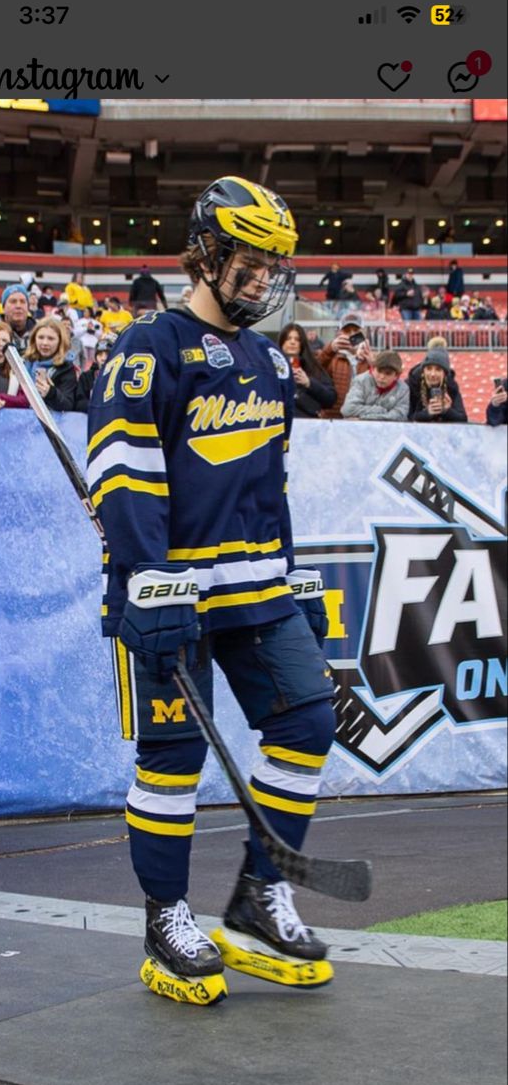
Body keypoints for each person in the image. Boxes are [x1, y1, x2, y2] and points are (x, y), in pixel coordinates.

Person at [87, 175, 336, 1006]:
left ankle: (260, 899)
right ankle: (166, 918)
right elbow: (123, 473)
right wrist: (146, 582)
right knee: (171, 761)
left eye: (274, 266)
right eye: (251, 263)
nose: (265, 279)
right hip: (171, 597)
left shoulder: (268, 360)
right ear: (205, 253)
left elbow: (270, 483)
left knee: (306, 721)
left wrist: (289, 572)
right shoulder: (147, 346)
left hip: (256, 590)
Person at [317, 311, 371, 419]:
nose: (351, 334)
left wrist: (372, 362)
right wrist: (330, 348)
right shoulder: (331, 357)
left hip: (362, 420)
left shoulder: (370, 358)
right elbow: (315, 370)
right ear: (340, 334)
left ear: (363, 333)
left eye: (356, 330)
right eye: (347, 331)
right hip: (334, 419)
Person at [278, 322, 335, 418]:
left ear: (302, 343)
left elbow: (330, 399)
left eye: (297, 339)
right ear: (282, 342)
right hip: (278, 423)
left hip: (307, 425)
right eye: (288, 338)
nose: (292, 342)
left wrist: (309, 383)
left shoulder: (313, 368)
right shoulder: (270, 367)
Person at [24, 317, 78, 412]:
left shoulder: (66, 368)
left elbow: (68, 404)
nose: (45, 343)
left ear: (60, 341)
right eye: (41, 337)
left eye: (51, 338)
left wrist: (50, 393)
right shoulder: (24, 363)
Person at [341, 350, 409, 422]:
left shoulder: (403, 389)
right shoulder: (360, 381)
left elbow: (400, 416)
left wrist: (362, 419)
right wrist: (380, 410)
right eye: (379, 371)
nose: (382, 377)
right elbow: (348, 409)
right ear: (373, 369)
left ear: (396, 375)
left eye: (388, 373)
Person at [408, 348, 468, 423]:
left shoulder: (451, 387)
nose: (433, 374)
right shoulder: (411, 385)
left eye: (438, 369)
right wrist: (426, 413)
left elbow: (463, 418)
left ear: (444, 374)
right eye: (429, 369)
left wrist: (447, 411)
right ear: (423, 371)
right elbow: (406, 418)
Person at [74, 335, 114, 413]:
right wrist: (97, 407)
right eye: (100, 355)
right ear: (95, 358)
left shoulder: (120, 376)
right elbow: (79, 403)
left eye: (107, 354)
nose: (103, 358)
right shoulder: (86, 377)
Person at [0, 284, 36, 352]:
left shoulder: (39, 334)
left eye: (22, 302)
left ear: (28, 307)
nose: (18, 306)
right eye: (13, 302)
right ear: (3, 307)